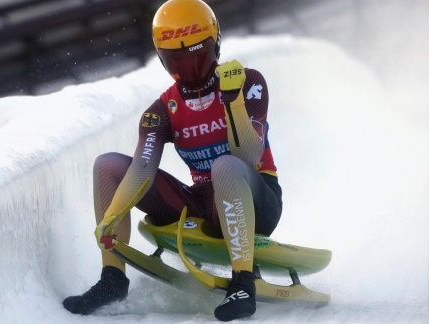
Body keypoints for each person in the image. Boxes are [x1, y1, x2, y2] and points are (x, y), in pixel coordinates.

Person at [62, 0, 282, 321]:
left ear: (215, 46)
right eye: (178, 62)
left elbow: (248, 155)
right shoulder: (161, 111)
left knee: (225, 165)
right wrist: (112, 215)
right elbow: (141, 169)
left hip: (257, 199)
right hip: (206, 202)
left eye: (199, 58)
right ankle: (112, 278)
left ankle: (243, 281)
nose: (191, 71)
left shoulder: (248, 82)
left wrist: (233, 103)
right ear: (164, 61)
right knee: (107, 165)